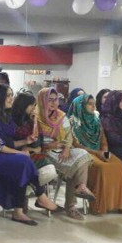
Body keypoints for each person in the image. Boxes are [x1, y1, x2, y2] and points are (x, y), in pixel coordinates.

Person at [0, 85, 61, 225]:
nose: (11, 98)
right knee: (23, 160)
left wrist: (25, 141)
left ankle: (20, 210)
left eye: (11, 95)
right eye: (8, 95)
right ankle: (39, 197)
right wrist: (20, 152)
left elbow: (10, 142)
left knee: (22, 165)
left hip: (4, 154)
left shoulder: (5, 115)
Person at [35, 88, 95, 220]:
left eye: (55, 99)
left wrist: (67, 148)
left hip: (62, 150)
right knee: (75, 168)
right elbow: (33, 140)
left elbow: (68, 136)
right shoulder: (35, 117)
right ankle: (71, 206)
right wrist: (48, 146)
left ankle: (81, 187)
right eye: (49, 100)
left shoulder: (61, 116)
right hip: (44, 153)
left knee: (82, 154)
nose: (53, 103)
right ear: (42, 100)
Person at [68, 93, 122, 215]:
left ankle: (118, 205)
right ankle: (99, 206)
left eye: (94, 104)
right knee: (101, 168)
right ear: (80, 106)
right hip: (83, 154)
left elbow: (103, 140)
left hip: (99, 152)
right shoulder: (73, 122)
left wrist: (104, 151)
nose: (93, 106)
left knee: (120, 166)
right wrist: (97, 153)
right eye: (89, 104)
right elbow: (76, 145)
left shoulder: (96, 121)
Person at [11, 92, 59, 188]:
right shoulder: (11, 121)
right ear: (23, 105)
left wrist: (35, 121)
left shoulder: (31, 120)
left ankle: (31, 187)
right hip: (15, 154)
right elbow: (10, 142)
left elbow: (37, 142)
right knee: (43, 170)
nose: (34, 108)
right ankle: (30, 188)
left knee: (49, 170)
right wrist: (28, 148)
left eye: (35, 105)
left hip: (31, 153)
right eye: (32, 105)